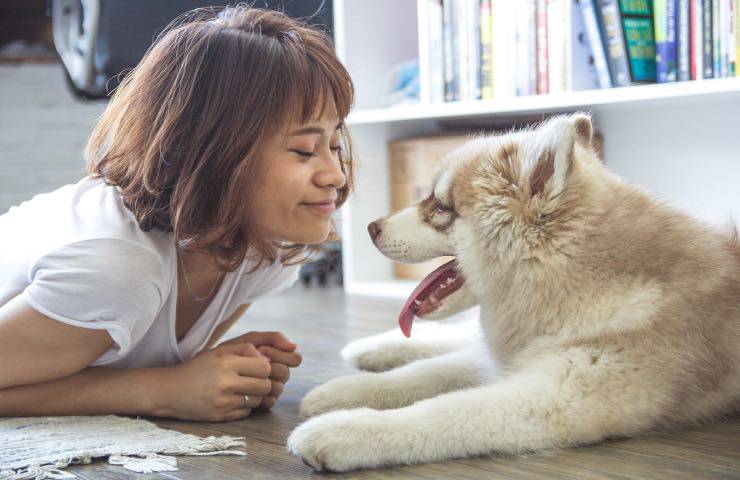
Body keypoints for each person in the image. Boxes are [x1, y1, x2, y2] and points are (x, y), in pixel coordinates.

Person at [0, 5, 354, 422]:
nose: (335, 174)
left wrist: (222, 373)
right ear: (213, 153)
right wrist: (162, 391)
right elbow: (156, 381)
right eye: (302, 150)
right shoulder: (117, 268)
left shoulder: (264, 248)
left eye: (334, 145)